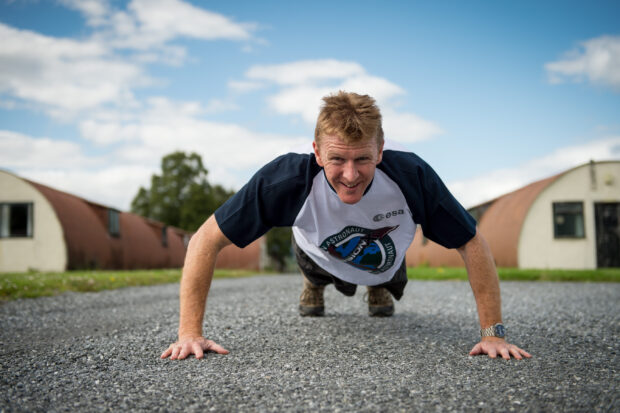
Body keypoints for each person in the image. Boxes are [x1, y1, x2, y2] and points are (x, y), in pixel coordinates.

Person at [161, 91, 531, 361]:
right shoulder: (285, 180)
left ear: (380, 150)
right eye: (337, 159)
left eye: (363, 160)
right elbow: (204, 240)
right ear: (317, 152)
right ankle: (314, 283)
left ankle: (378, 287)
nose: (350, 175)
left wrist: (493, 334)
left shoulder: (412, 175)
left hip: (385, 255)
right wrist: (189, 333)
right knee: (315, 263)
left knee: (383, 273)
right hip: (319, 250)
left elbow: (471, 241)